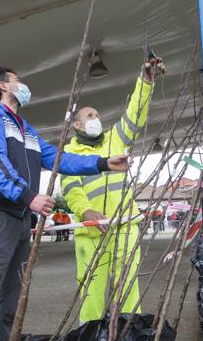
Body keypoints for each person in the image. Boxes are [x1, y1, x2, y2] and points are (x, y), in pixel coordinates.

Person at [0, 67, 131, 341]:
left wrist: (102, 163)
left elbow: (59, 158)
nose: (23, 85)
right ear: (3, 86)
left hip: (20, 219)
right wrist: (28, 196)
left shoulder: (25, 129)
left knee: (8, 303)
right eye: (17, 80)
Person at [60, 57, 162, 323]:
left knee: (127, 290)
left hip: (125, 227)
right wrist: (85, 211)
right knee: (92, 294)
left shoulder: (116, 140)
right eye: (90, 116)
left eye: (98, 115)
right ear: (78, 126)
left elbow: (134, 114)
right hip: (91, 233)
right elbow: (71, 189)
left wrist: (146, 80)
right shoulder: (70, 153)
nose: (97, 119)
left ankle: (128, 339)